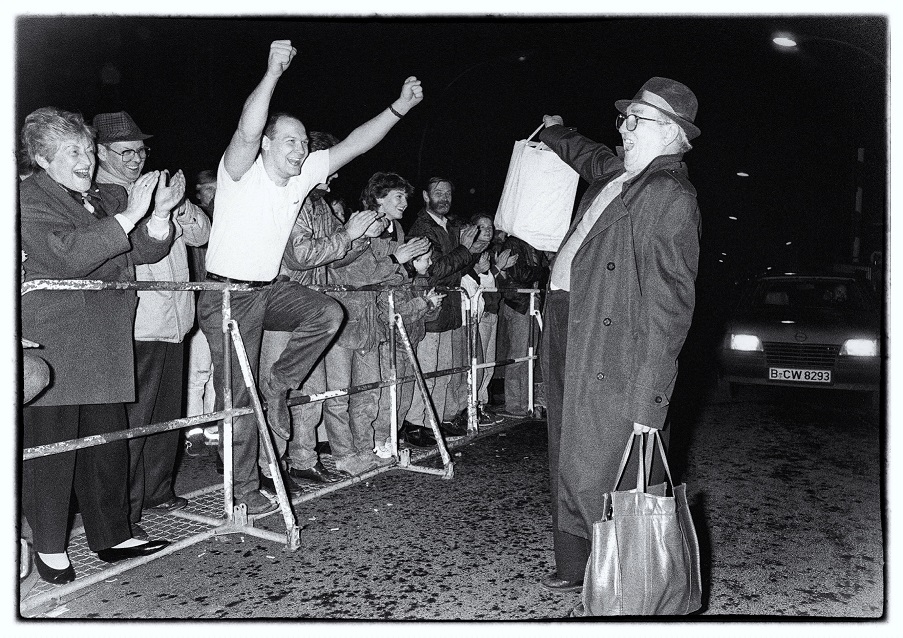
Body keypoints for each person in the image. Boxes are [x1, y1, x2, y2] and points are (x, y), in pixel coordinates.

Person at [196, 40, 423, 515]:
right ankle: (241, 489)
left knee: (326, 312)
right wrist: (273, 72)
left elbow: (356, 143)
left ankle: (279, 385)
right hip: (226, 294)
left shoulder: (302, 178)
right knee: (238, 395)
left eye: (303, 142)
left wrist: (398, 108)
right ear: (266, 145)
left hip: (269, 290)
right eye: (290, 141)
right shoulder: (240, 172)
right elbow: (245, 126)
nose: (300, 149)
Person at [535, 77, 701, 596]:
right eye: (624, 119)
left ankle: (621, 581)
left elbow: (670, 307)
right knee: (566, 445)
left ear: (672, 133)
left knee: (602, 463)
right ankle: (574, 563)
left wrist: (652, 401)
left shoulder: (668, 196)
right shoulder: (620, 173)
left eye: (638, 121)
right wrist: (555, 131)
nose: (625, 129)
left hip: (611, 345)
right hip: (570, 320)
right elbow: (586, 155)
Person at [19, 107, 172, 583]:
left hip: (105, 340)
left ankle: (112, 534)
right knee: (54, 448)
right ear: (43, 159)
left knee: (107, 444)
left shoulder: (104, 196)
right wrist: (128, 216)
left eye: (87, 149)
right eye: (71, 151)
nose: (85, 159)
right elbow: (63, 255)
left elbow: (142, 249)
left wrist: (160, 216)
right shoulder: (26, 197)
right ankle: (47, 544)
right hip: (57, 340)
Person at [93, 111, 211, 534]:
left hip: (177, 317)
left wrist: (182, 210)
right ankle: (126, 509)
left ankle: (160, 489)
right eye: (123, 151)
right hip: (140, 320)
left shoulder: (159, 188)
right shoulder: (100, 195)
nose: (134, 159)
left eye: (139, 150)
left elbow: (201, 236)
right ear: (100, 152)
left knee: (168, 413)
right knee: (135, 421)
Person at [257, 130, 381, 491]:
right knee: (276, 392)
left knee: (311, 394)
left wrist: (361, 237)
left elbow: (336, 259)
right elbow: (302, 254)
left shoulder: (320, 205)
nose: (335, 174)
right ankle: (268, 467)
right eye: (330, 165)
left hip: (314, 306)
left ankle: (303, 461)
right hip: (285, 308)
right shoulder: (292, 200)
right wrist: (349, 235)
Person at [324, 172, 430, 469]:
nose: (405, 203)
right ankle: (343, 456)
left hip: (372, 320)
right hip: (344, 318)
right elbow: (352, 275)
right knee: (339, 394)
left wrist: (404, 265)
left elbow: (393, 276)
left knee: (368, 393)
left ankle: (364, 450)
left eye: (406, 197)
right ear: (378, 198)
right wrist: (398, 261)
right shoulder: (358, 226)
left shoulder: (391, 230)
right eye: (398, 196)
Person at [405, 178, 487, 442]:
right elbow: (435, 270)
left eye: (448, 193)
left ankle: (435, 420)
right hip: (431, 307)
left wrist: (472, 252)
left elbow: (456, 269)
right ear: (426, 197)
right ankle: (416, 424)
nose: (445, 197)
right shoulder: (423, 227)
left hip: (449, 307)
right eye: (438, 193)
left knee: (445, 370)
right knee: (428, 369)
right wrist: (465, 249)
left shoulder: (449, 226)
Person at [495, 230, 548, 419]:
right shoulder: (514, 243)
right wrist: (543, 270)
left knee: (529, 356)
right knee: (518, 355)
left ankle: (527, 402)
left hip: (531, 302)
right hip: (518, 304)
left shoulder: (534, 245)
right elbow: (520, 273)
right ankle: (514, 403)